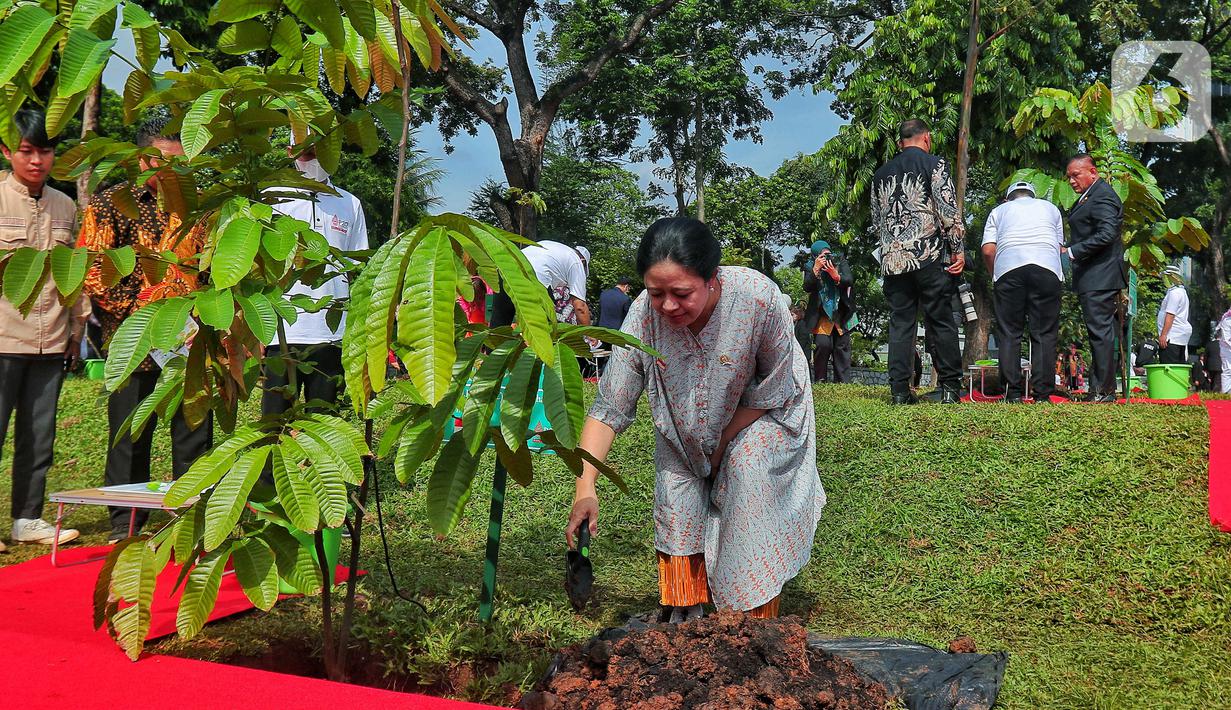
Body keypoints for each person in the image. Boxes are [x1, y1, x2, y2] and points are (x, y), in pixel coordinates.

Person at [565, 217, 824, 622]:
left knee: (748, 468)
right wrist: (586, 487)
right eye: (656, 293)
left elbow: (774, 390)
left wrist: (717, 452)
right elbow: (609, 409)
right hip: (684, 419)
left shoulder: (758, 300)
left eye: (682, 293)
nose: (668, 306)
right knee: (676, 489)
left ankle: (752, 622)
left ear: (712, 277)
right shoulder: (643, 317)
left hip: (765, 412)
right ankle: (684, 618)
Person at [80, 117, 211, 541]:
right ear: (141, 160)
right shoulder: (111, 204)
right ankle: (126, 524)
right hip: (132, 340)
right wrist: (146, 313)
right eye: (162, 161)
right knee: (130, 432)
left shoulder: (200, 207)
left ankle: (191, 518)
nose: (171, 171)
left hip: (190, 340)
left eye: (180, 162)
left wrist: (201, 318)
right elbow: (93, 270)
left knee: (193, 430)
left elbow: (211, 269)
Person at [0, 110, 89, 549]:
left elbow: (74, 274)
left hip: (50, 340)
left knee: (39, 437)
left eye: (46, 151)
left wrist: (76, 330)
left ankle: (27, 519)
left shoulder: (65, 205)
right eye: (27, 151)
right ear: (7, 152)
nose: (36, 161)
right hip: (2, 338)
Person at [262, 143, 369, 418]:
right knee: (274, 421)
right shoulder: (270, 198)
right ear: (290, 152)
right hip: (281, 332)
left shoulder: (350, 203)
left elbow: (355, 268)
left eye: (322, 151)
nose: (315, 160)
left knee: (324, 421)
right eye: (307, 153)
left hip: (331, 333)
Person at [870, 118, 965, 404]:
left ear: (900, 143)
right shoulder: (935, 165)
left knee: (900, 322)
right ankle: (950, 388)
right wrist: (958, 250)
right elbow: (948, 212)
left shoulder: (880, 174)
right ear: (927, 138)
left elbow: (876, 221)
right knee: (940, 318)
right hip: (927, 254)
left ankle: (900, 391)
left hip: (893, 259)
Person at [980, 180, 1064, 402]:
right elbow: (1059, 247)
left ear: (1008, 198)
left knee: (1009, 332)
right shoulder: (1051, 209)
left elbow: (988, 251)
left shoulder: (998, 211)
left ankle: (1012, 393)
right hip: (1047, 269)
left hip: (1008, 270)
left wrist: (995, 275)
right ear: (1033, 195)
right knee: (1044, 332)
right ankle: (1043, 394)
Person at [1063, 154, 1126, 403]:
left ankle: (1103, 391)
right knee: (1098, 333)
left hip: (1101, 274)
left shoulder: (1102, 195)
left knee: (1100, 333)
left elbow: (1107, 233)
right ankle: (1099, 388)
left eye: (1075, 175)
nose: (1071, 181)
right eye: (1068, 177)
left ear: (1092, 172)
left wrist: (1073, 251)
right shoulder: (1091, 195)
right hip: (1094, 275)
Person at [802, 240, 856, 383]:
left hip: (841, 313)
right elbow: (807, 287)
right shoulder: (809, 266)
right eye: (823, 255)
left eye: (828, 254)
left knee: (842, 347)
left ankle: (843, 383)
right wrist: (816, 269)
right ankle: (820, 380)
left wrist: (835, 275)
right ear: (815, 256)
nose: (827, 258)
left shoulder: (839, 260)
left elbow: (849, 280)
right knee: (822, 345)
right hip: (822, 315)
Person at [1156, 265, 1191, 365]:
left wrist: (1164, 335)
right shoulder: (1181, 292)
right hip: (1178, 337)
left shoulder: (1175, 293)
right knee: (1178, 366)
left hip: (1171, 338)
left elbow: (1170, 315)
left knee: (1169, 367)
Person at [1218, 306, 1231, 393]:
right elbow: (1226, 339)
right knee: (1228, 370)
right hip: (1227, 350)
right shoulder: (1227, 320)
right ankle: (1225, 393)